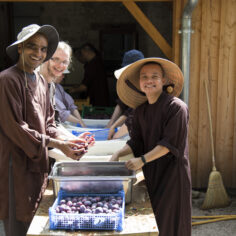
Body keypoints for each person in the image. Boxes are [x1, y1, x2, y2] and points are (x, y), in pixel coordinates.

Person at [0, 24, 91, 236]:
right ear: (20, 48)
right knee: (18, 222)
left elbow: (49, 123)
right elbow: (16, 129)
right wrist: (60, 145)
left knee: (35, 220)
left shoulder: (41, 81)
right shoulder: (7, 80)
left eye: (43, 49)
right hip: (16, 167)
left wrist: (73, 141)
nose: (38, 53)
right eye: (32, 47)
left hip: (36, 165)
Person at [110, 58, 192, 236]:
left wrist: (142, 160)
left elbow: (168, 145)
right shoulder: (141, 110)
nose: (149, 80)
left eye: (154, 76)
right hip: (152, 174)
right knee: (156, 225)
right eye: (144, 77)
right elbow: (136, 142)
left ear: (164, 80)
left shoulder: (176, 108)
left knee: (173, 225)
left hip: (172, 178)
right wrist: (118, 153)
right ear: (139, 83)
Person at [40, 41, 86, 127]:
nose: (61, 66)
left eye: (65, 62)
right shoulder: (40, 85)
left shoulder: (55, 87)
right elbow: (62, 113)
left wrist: (81, 122)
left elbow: (71, 106)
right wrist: (80, 123)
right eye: (56, 59)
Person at [107, 49, 144, 139]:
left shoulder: (144, 86)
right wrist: (111, 123)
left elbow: (132, 114)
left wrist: (114, 131)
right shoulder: (129, 82)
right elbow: (121, 104)